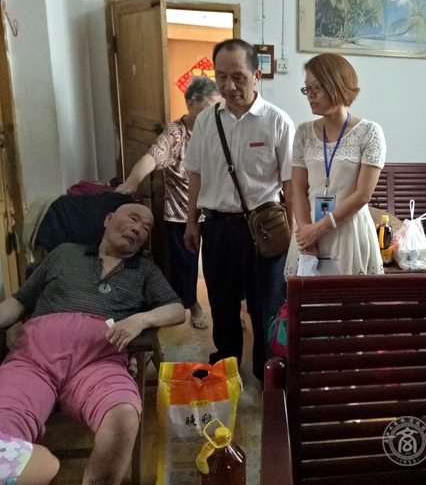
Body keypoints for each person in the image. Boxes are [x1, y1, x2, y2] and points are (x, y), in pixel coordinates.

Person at [0, 204, 186, 484]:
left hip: (99, 362)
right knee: (4, 423)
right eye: (133, 218)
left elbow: (176, 309)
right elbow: (19, 301)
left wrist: (141, 320)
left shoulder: (145, 271)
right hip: (33, 359)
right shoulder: (63, 253)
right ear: (108, 219)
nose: (138, 228)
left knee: (123, 416)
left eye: (146, 228)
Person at [183, 39, 295, 382]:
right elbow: (195, 173)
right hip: (217, 227)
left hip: (264, 228)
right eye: (221, 77)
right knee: (222, 304)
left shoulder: (277, 121)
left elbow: (290, 183)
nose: (229, 86)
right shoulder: (206, 121)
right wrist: (191, 222)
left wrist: (295, 235)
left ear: (256, 75)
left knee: (266, 305)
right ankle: (226, 368)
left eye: (238, 77)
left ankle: (267, 372)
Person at [116, 75, 221, 330]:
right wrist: (132, 182)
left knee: (219, 265)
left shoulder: (220, 129)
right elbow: (152, 158)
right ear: (191, 104)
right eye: (209, 107)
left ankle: (225, 310)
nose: (214, 114)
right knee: (186, 266)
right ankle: (193, 304)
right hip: (181, 212)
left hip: (216, 210)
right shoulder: (175, 134)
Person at [285, 53, 386, 277]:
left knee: (350, 297)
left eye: (316, 87)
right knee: (308, 297)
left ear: (337, 84)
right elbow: (298, 189)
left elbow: (363, 195)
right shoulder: (303, 132)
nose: (310, 95)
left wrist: (320, 228)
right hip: (309, 230)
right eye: (306, 89)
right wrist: (306, 234)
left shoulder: (369, 132)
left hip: (349, 231)